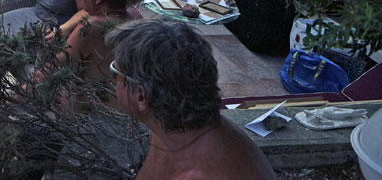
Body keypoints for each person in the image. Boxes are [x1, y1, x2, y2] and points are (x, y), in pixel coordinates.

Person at [105, 19, 277, 180]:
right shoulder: (171, 126)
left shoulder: (200, 173)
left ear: (141, 96)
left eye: (116, 74)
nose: (113, 80)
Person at [55, 0, 143, 107]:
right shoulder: (136, 16)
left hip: (92, 115)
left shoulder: (92, 27)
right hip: (124, 109)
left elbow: (51, 69)